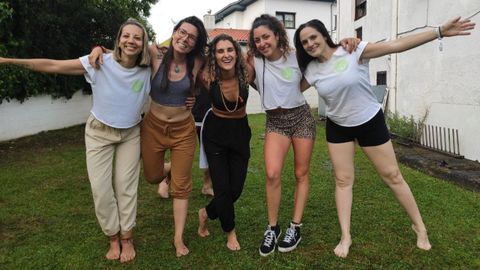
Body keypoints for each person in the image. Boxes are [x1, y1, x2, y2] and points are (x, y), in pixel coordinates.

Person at [294, 16, 475, 258]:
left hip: (369, 121)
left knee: (393, 175)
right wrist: (252, 74)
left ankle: (420, 227)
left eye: (313, 37)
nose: (310, 44)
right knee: (343, 180)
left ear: (324, 35)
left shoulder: (353, 50)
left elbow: (395, 45)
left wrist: (439, 31)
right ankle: (345, 236)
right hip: (338, 127)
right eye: (304, 42)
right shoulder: (311, 70)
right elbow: (285, 85)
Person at [0, 18, 152, 263]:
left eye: (137, 37)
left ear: (144, 43)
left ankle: (127, 237)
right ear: (119, 39)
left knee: (126, 186)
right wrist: (8, 61)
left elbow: (176, 68)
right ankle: (112, 236)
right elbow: (53, 66)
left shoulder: (148, 68)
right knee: (100, 189)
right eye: (127, 36)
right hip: (98, 133)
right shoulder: (99, 62)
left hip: (131, 133)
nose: (131, 41)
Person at [91, 16, 208, 257]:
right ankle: (168, 171)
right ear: (174, 32)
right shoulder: (155, 52)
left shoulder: (197, 61)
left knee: (182, 187)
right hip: (153, 128)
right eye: (182, 32)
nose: (185, 39)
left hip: (183, 130)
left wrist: (194, 93)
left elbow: (211, 77)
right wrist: (99, 49)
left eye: (191, 37)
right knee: (152, 176)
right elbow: (126, 50)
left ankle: (178, 238)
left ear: (196, 43)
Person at [247, 14, 358, 256]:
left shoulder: (298, 56)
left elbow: (325, 53)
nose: (262, 43)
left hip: (301, 119)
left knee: (301, 173)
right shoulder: (253, 59)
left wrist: (346, 42)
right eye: (257, 40)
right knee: (272, 172)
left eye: (266, 36)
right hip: (275, 121)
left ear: (277, 35)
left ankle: (295, 226)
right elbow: (242, 75)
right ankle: (272, 228)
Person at [196, 34, 253, 251]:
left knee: (235, 190)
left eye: (230, 49)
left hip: (240, 133)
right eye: (220, 51)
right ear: (214, 55)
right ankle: (231, 232)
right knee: (222, 188)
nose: (226, 54)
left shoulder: (247, 71)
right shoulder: (207, 75)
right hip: (215, 135)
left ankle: (206, 213)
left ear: (236, 52)